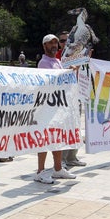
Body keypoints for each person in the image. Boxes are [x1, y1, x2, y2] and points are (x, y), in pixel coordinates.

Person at [34, 34, 78, 184]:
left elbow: (62, 80)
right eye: (50, 43)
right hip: (47, 106)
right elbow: (51, 81)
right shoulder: (43, 62)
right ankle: (40, 171)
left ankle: (58, 168)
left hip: (57, 106)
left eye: (55, 43)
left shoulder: (57, 61)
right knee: (45, 139)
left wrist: (70, 71)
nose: (54, 45)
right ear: (44, 46)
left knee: (57, 137)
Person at [55, 30, 86, 167]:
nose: (65, 43)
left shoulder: (78, 55)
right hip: (61, 98)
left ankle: (72, 157)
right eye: (62, 41)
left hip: (75, 96)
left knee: (75, 126)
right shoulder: (56, 57)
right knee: (63, 128)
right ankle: (61, 159)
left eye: (68, 40)